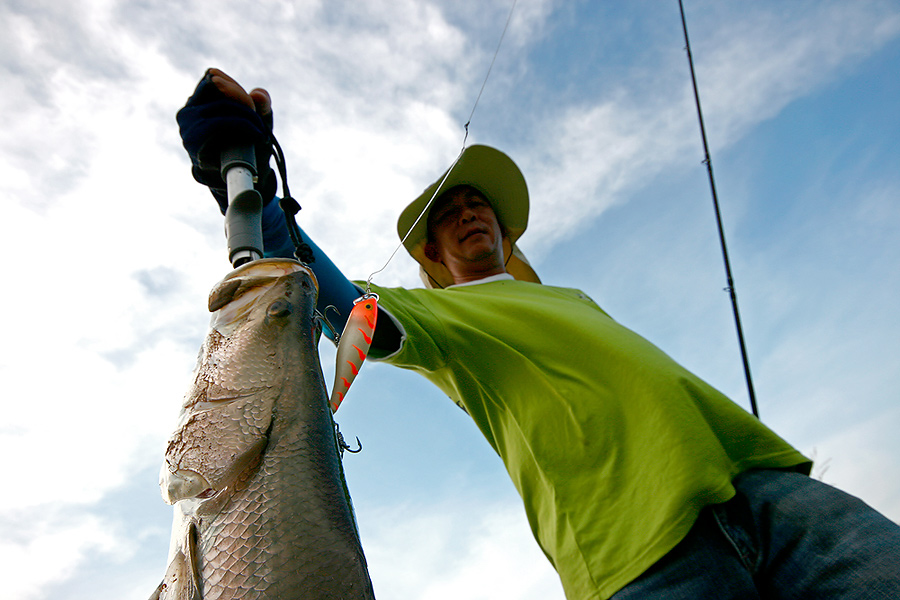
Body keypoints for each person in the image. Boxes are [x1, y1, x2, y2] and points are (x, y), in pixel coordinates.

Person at [177, 69, 900, 599]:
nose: (470, 214)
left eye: (478, 204)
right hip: (638, 554)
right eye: (451, 212)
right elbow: (342, 304)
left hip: (768, 491)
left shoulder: (572, 299)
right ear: (431, 256)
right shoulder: (442, 317)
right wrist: (253, 193)